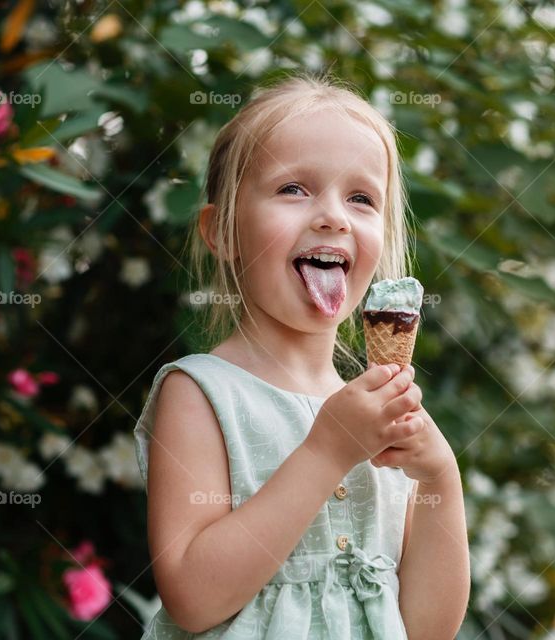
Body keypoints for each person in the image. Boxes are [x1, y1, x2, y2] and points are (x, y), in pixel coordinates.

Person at [133, 72, 470, 639]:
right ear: (223, 232)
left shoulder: (380, 417)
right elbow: (193, 597)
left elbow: (428, 627)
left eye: (361, 199)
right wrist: (326, 452)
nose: (333, 216)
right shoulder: (201, 393)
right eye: (294, 189)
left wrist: (440, 474)